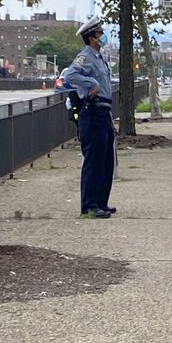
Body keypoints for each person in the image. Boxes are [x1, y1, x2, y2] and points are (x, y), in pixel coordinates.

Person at [64, 16, 116, 218]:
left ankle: (101, 201)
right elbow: (70, 76)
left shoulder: (99, 58)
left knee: (106, 161)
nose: (103, 37)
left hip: (103, 112)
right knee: (93, 160)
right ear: (92, 38)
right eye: (100, 34)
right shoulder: (85, 57)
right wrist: (91, 83)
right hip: (92, 111)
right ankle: (89, 205)